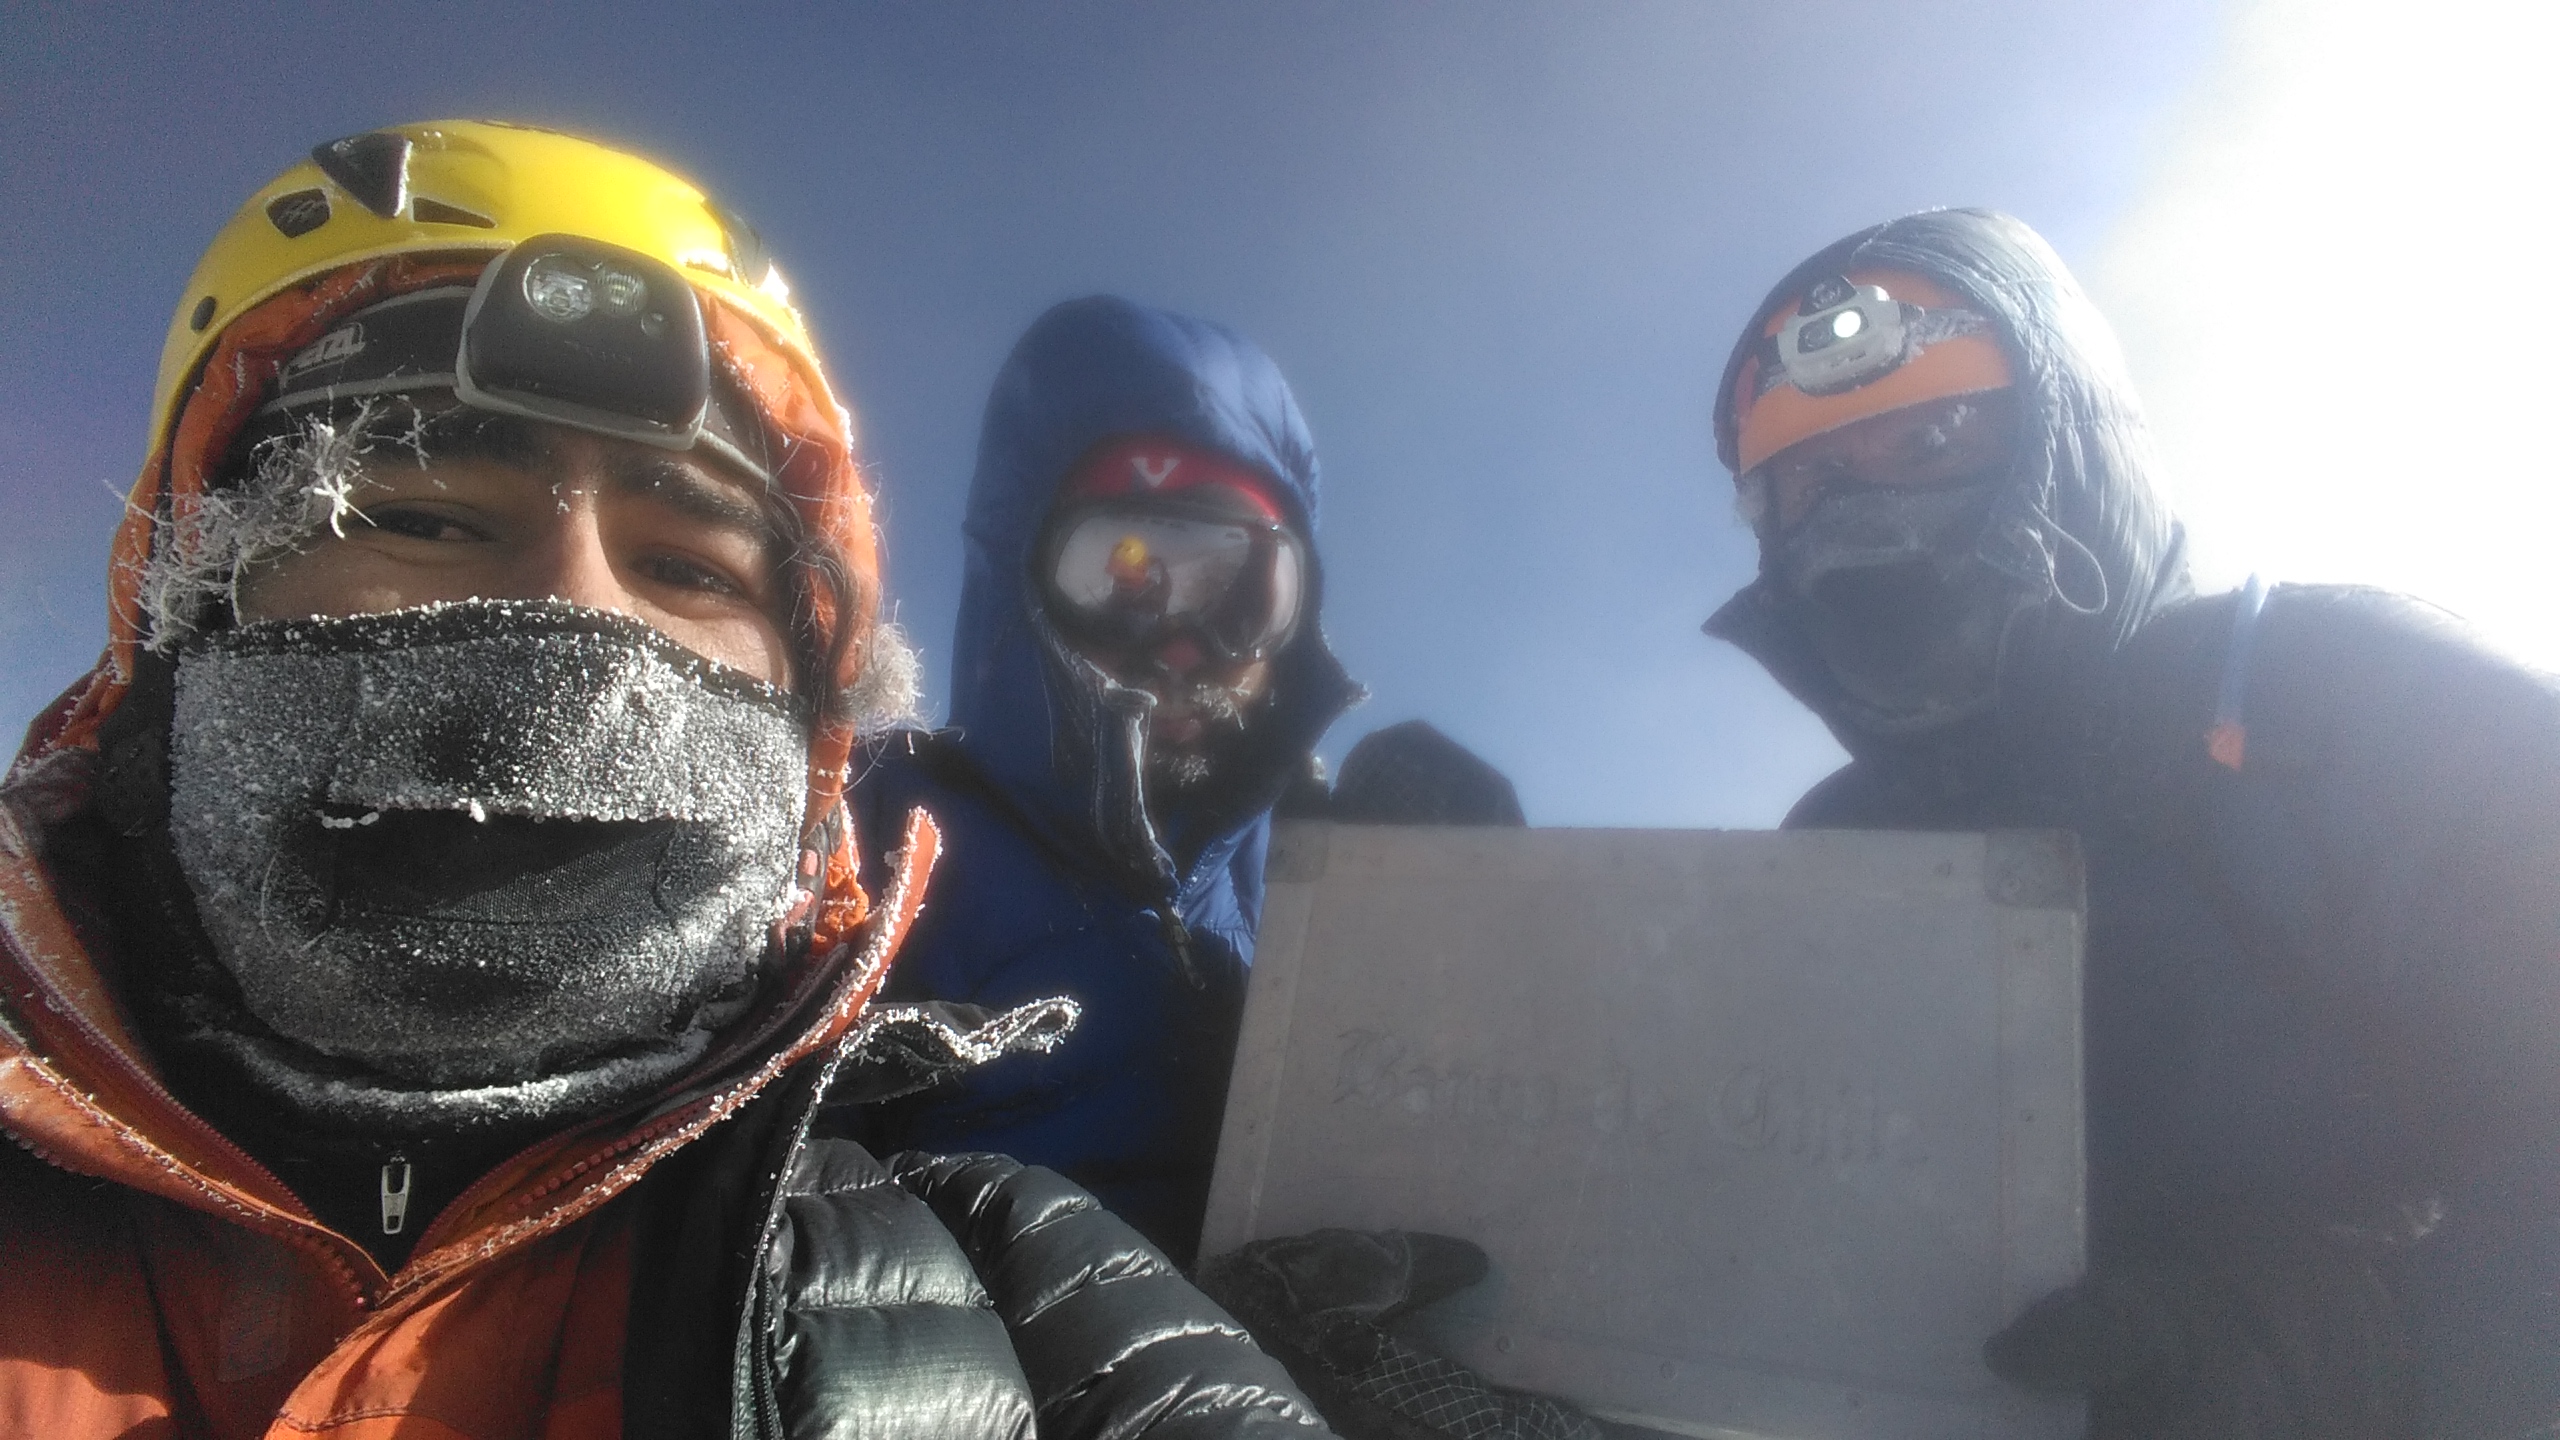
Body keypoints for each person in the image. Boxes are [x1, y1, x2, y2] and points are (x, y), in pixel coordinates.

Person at [0, 122, 1330, 1438]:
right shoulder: (937, 829)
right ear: (182, 617)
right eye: (418, 517)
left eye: (689, 567)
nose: (576, 614)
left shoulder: (995, 1296)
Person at [1705, 207, 2560, 1436]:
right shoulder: (1833, 855)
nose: (1855, 513)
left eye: (1924, 438)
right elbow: (1726, 1200)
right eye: (1806, 482)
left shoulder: (2337, 703)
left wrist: (2371, 1348)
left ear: (2060, 430)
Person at [848, 296, 1360, 1263]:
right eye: (1128, 574)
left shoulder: (1322, 882)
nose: (1183, 644)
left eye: (1243, 593)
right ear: (1022, 581)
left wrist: (1458, 932)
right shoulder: (872, 847)